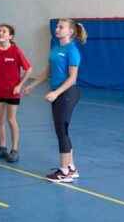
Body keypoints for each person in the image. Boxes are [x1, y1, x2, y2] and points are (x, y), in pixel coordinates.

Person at [24, 18, 86, 183]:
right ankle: (71, 168)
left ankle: (64, 171)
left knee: (62, 131)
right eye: (57, 26)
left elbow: (72, 78)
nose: (57, 29)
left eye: (61, 27)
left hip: (67, 93)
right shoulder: (55, 48)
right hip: (58, 94)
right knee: (62, 130)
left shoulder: (72, 50)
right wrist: (33, 85)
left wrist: (56, 93)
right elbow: (47, 72)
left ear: (70, 31)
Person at [0, 24, 32, 163]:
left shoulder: (16, 51)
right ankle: (2, 148)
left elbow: (29, 69)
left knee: (11, 120)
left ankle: (14, 150)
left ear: (10, 36)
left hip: (12, 92)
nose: (0, 33)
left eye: (4, 31)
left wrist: (19, 85)